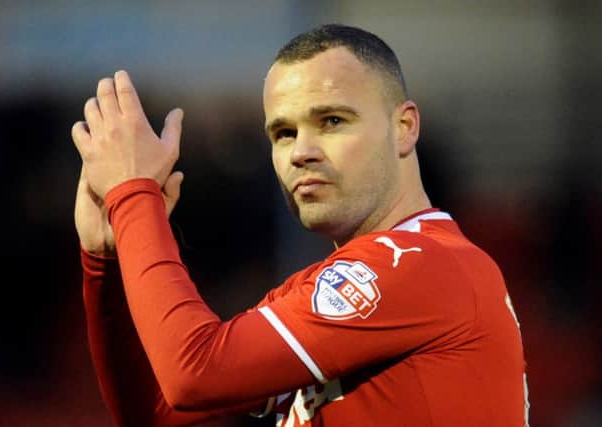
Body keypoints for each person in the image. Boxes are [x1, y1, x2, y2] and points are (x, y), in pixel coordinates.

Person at [71, 24, 529, 426]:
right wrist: (106, 264)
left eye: (332, 120)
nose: (299, 152)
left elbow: (195, 373)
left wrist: (133, 196)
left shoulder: (426, 264)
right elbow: (155, 412)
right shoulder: (319, 288)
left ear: (404, 127)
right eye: (283, 133)